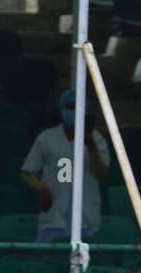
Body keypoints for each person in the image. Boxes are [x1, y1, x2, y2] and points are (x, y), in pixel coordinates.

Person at [21, 88, 110, 243]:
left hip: (85, 217)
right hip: (54, 215)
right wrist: (42, 189)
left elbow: (101, 173)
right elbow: (28, 171)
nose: (74, 111)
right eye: (70, 107)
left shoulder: (97, 138)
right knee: (46, 262)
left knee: (82, 263)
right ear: (62, 110)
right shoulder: (47, 137)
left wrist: (92, 146)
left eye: (79, 107)